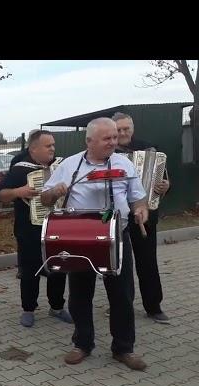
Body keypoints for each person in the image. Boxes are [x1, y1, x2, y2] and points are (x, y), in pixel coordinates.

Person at [41, 118, 149, 371]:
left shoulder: (124, 164)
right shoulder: (69, 165)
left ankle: (123, 349)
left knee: (122, 295)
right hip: (80, 239)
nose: (114, 142)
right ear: (89, 141)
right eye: (107, 138)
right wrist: (55, 192)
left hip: (117, 235)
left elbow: (138, 197)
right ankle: (82, 344)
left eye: (115, 137)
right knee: (80, 295)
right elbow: (45, 199)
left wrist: (141, 209)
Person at [0, 130, 72, 327]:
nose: (53, 149)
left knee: (58, 267)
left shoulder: (60, 167)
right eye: (48, 146)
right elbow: (1, 195)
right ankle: (28, 309)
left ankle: (56, 307)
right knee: (30, 270)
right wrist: (17, 191)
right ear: (34, 149)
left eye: (53, 145)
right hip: (29, 229)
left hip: (57, 226)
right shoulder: (20, 170)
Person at [112, 112, 171, 323]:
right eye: (118, 129)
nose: (122, 133)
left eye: (126, 128)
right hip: (116, 216)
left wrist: (165, 186)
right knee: (117, 264)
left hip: (145, 214)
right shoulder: (107, 152)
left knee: (147, 261)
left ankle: (153, 306)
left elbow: (164, 180)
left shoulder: (149, 148)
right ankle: (120, 304)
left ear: (132, 128)